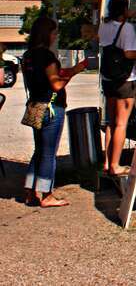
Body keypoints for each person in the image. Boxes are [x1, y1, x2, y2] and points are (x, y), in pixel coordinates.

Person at [22, 16, 87, 207]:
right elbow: (56, 84)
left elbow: (46, 76)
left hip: (35, 105)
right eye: (54, 33)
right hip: (51, 108)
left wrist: (71, 69)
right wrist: (73, 73)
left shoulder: (28, 55)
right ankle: (46, 194)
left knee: (39, 150)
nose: (55, 36)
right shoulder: (47, 56)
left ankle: (30, 191)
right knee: (49, 153)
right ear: (47, 34)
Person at [98, 0, 136, 176]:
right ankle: (115, 165)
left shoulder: (104, 26)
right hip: (124, 80)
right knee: (121, 124)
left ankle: (107, 162)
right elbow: (129, 53)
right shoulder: (127, 28)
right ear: (124, 9)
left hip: (108, 78)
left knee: (111, 122)